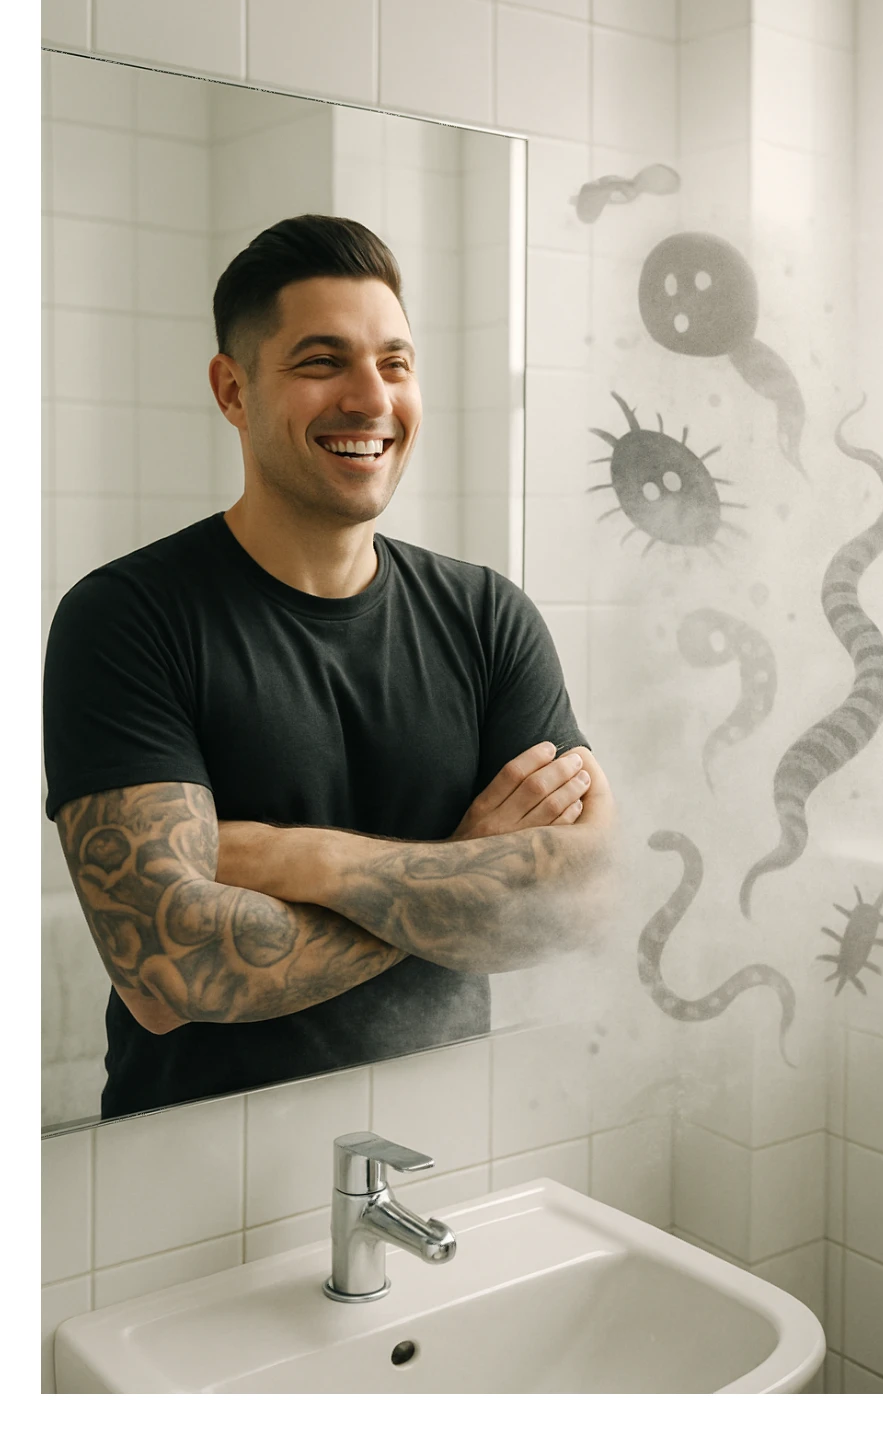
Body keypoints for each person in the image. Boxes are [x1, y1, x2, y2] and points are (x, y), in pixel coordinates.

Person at [43, 214, 616, 1120]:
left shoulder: (487, 617)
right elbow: (171, 969)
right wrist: (464, 869)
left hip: (450, 1140)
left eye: (395, 362)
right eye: (322, 362)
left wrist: (295, 857)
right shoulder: (125, 620)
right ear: (232, 390)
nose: (371, 398)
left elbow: (582, 902)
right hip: (192, 1176)